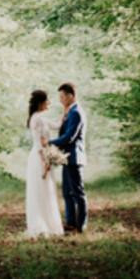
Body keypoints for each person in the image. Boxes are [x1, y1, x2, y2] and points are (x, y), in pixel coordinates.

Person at [24, 89, 65, 237]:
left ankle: (46, 223)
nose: (49, 103)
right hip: (40, 157)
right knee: (42, 190)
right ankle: (42, 225)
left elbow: (57, 125)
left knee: (44, 190)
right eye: (47, 100)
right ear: (40, 103)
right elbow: (42, 143)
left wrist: (65, 112)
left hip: (39, 155)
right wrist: (46, 162)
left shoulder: (38, 118)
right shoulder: (38, 119)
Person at [49, 82, 87, 233]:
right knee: (67, 193)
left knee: (78, 193)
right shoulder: (70, 112)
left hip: (74, 158)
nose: (60, 100)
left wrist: (50, 143)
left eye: (62, 96)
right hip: (67, 158)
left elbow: (69, 137)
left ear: (71, 96)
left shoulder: (76, 112)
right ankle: (70, 223)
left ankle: (81, 226)